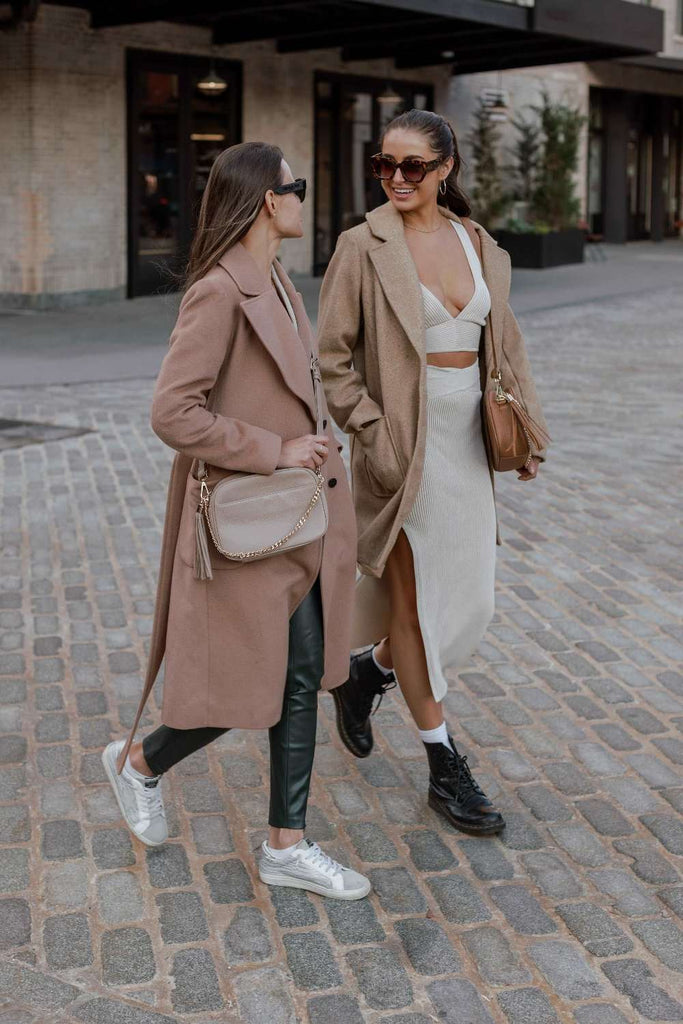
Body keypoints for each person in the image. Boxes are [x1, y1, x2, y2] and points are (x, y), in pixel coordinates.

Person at [102, 142, 369, 900]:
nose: (302, 198)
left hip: (295, 518)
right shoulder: (220, 291)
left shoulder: (278, 280)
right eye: (297, 187)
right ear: (265, 200)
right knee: (247, 680)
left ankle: (285, 843)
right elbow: (171, 411)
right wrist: (272, 448)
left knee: (299, 674)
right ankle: (139, 762)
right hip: (249, 522)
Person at [318, 109, 549, 837]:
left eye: (411, 166)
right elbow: (331, 359)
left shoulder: (478, 243)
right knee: (416, 607)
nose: (395, 178)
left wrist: (526, 435)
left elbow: (504, 350)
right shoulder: (362, 246)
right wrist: (372, 433)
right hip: (403, 453)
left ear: (445, 168)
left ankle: (368, 672)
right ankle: (442, 759)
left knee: (471, 605)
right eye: (383, 165)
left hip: (469, 444)